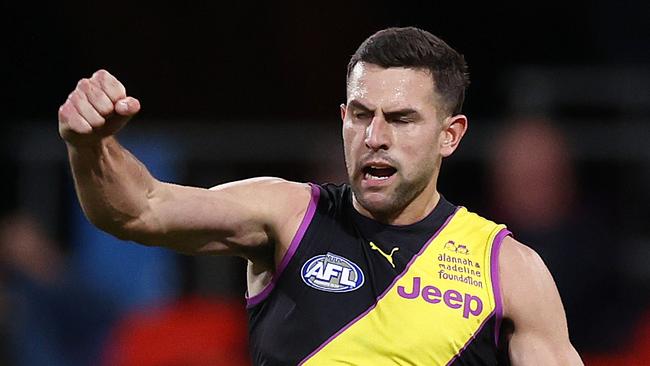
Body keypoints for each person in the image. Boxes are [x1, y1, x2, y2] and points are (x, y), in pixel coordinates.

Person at [58, 27, 582, 365]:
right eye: (360, 114)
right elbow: (140, 208)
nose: (375, 135)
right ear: (343, 120)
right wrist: (90, 145)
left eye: (400, 119)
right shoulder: (287, 215)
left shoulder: (507, 270)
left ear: (451, 134)